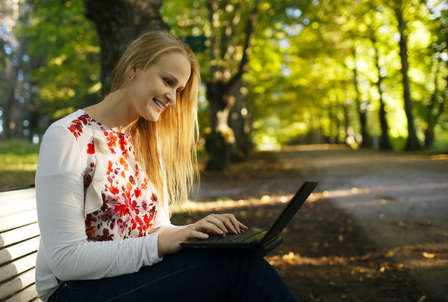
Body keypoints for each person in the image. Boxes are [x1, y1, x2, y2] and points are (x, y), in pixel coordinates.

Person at [35, 30, 295, 302]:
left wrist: (194, 233)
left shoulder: (143, 141)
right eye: (167, 81)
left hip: (127, 280)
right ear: (134, 68)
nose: (172, 97)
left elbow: (156, 229)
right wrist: (162, 243)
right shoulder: (68, 136)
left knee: (236, 258)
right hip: (75, 291)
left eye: (178, 90)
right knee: (236, 270)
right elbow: (66, 260)